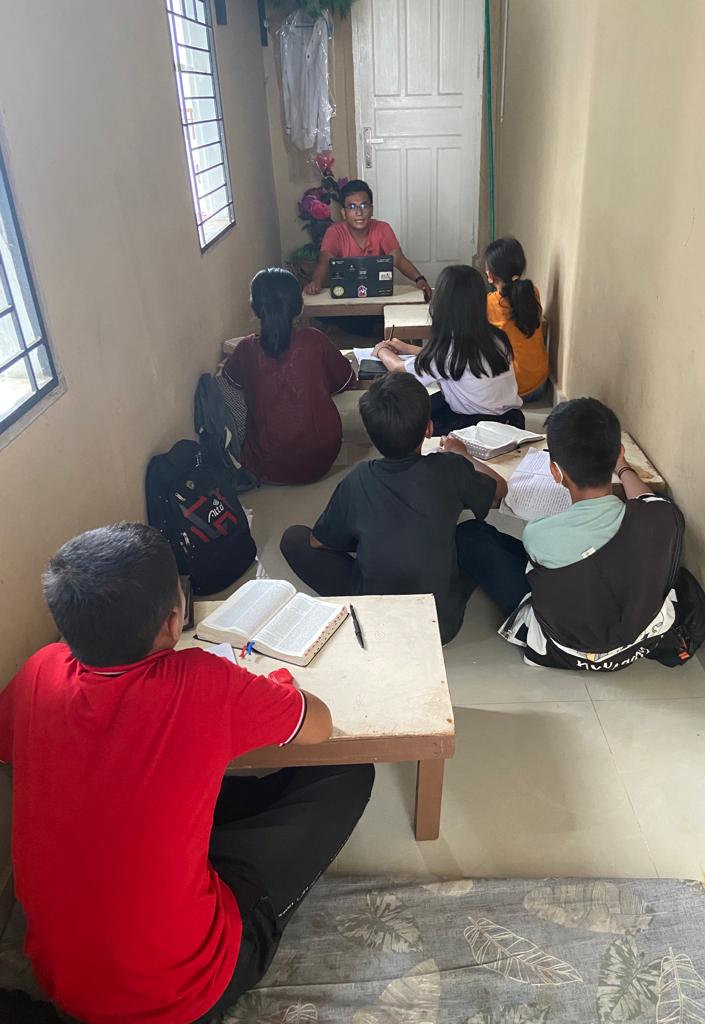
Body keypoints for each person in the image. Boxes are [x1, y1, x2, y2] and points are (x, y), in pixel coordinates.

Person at [0, 523, 373, 1023]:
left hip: (64, 984)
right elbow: (319, 725)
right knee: (351, 773)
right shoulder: (203, 682)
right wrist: (274, 688)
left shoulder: (38, 671)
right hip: (186, 992)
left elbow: (9, 746)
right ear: (174, 621)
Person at [454, 398, 684, 671]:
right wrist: (622, 466)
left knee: (471, 536)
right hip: (635, 640)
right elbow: (645, 498)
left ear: (555, 471)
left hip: (562, 648)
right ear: (618, 451)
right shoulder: (664, 517)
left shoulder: (539, 533)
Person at [280, 373, 507, 644]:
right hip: (440, 625)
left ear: (372, 436)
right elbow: (500, 489)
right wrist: (462, 453)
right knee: (470, 533)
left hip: (375, 617)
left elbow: (318, 542)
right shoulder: (449, 468)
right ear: (429, 429)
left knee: (294, 538)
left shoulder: (358, 479)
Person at [224, 268, 355, 485]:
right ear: (299, 306)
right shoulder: (315, 340)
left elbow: (231, 382)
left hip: (267, 464)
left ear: (255, 308)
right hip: (322, 457)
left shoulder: (246, 348)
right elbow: (345, 381)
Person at [372, 265, 525, 436]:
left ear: (441, 305)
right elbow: (450, 361)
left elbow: (398, 369)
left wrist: (381, 350)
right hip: (512, 420)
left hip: (477, 428)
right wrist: (408, 348)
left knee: (411, 417)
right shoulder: (497, 337)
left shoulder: (448, 352)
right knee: (430, 404)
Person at [304, 179, 432, 301]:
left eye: (364, 206)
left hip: (378, 296)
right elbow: (324, 263)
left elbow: (399, 259)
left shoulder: (383, 228)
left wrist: (419, 279)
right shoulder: (334, 232)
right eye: (352, 207)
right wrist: (315, 283)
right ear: (344, 213)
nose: (359, 212)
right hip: (345, 297)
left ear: (371, 210)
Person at [485, 237, 548, 403]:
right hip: (540, 383)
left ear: (490, 275)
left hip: (514, 390)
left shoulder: (489, 304)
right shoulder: (533, 292)